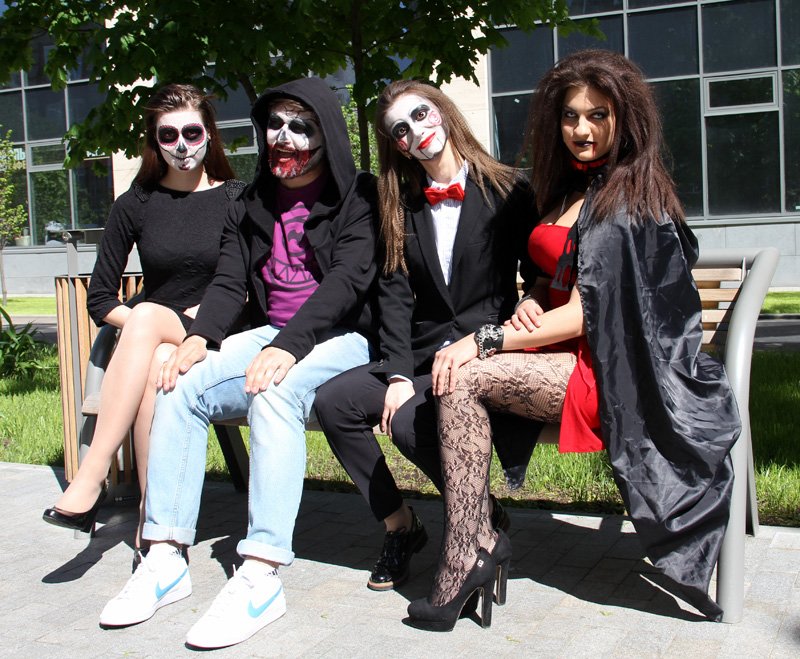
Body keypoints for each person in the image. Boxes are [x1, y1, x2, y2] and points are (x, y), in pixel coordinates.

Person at [405, 50, 741, 632]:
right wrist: (534, 295)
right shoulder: (569, 187)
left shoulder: (629, 197)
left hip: (615, 367)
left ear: (625, 118)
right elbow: (556, 270)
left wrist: (485, 339)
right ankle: (474, 544)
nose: (582, 129)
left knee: (466, 375)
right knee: (455, 381)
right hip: (562, 354)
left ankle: (469, 552)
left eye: (598, 115)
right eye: (570, 116)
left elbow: (589, 315)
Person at [97, 76, 378, 650]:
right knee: (179, 383)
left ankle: (261, 573)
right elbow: (229, 280)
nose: (285, 136)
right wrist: (200, 338)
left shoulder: (358, 195)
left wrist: (287, 347)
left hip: (344, 336)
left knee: (275, 392)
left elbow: (347, 283)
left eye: (300, 126)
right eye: (275, 124)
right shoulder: (250, 202)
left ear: (325, 133)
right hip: (272, 333)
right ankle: (165, 556)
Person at [314, 80, 540, 592]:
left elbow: (539, 274)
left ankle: (473, 523)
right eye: (400, 129)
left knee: (407, 422)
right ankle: (403, 525)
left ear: (442, 111)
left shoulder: (509, 189)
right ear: (396, 146)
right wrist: (397, 374)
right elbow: (393, 295)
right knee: (334, 402)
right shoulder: (398, 204)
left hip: (484, 350)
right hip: (422, 352)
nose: (415, 131)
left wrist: (531, 300)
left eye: (420, 115)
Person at [43, 84, 241, 555]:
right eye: (168, 135)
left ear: (209, 135)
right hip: (158, 337)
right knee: (155, 356)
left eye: (192, 132)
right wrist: (141, 327)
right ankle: (154, 525)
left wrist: (160, 319)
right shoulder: (136, 203)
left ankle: (91, 477)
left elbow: (250, 280)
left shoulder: (238, 198)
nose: (181, 145)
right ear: (155, 140)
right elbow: (99, 299)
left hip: (221, 328)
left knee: (147, 316)